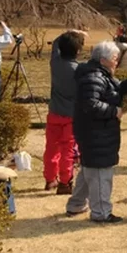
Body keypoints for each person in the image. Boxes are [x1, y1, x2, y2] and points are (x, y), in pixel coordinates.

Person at [66, 41, 127, 223]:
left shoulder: (102, 74)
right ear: (103, 60)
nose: (117, 61)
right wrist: (114, 111)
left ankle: (76, 204)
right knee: (100, 171)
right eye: (114, 58)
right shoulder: (93, 76)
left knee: (88, 168)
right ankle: (101, 212)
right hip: (95, 131)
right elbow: (90, 105)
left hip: (97, 130)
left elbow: (117, 89)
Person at [44, 30, 87, 193]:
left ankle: (49, 179)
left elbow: (55, 43)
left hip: (54, 111)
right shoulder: (80, 70)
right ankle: (65, 181)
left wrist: (69, 32)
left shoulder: (55, 63)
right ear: (77, 51)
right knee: (67, 150)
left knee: (51, 148)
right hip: (71, 115)